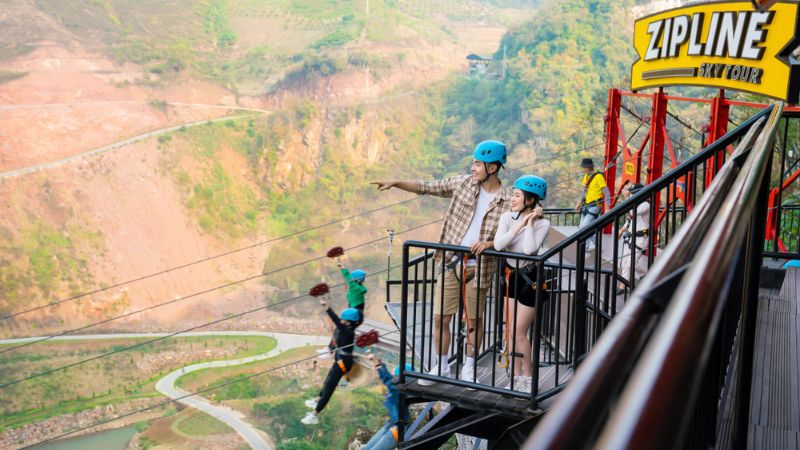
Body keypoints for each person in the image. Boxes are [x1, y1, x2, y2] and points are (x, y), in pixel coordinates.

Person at [371, 140, 512, 385]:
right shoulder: (463, 184)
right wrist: (396, 183)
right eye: (473, 163)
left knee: (474, 322)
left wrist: (490, 244)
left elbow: (515, 232)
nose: (473, 168)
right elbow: (427, 187)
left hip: (480, 267)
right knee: (440, 318)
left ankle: (470, 367)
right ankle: (442, 366)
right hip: (450, 261)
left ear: (492, 167)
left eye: (478, 164)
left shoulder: (508, 199)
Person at [493, 175, 551, 393]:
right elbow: (499, 245)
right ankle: (515, 376)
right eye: (513, 195)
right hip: (510, 277)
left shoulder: (543, 223)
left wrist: (530, 224)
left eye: (517, 195)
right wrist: (520, 225)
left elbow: (529, 250)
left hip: (530, 280)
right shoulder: (507, 218)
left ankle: (528, 377)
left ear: (530, 200)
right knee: (509, 331)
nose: (512, 199)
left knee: (518, 332)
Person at [302, 301, 361, 425]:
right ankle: (317, 400)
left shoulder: (348, 331)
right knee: (327, 381)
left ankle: (314, 414)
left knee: (329, 387)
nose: (341, 320)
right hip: (340, 360)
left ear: (349, 321)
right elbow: (338, 326)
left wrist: (327, 308)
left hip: (343, 363)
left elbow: (336, 321)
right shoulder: (345, 329)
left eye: (344, 319)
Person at [317, 261, 367, 358]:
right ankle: (330, 349)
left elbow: (347, 276)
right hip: (355, 310)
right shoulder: (357, 287)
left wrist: (342, 267)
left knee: (340, 329)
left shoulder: (354, 286)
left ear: (356, 279)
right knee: (340, 329)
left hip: (355, 311)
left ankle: (330, 350)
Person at [363, 356, 411, 450]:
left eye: (396, 377)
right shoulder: (396, 390)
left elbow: (388, 380)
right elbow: (388, 379)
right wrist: (380, 365)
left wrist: (380, 367)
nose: (394, 378)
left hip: (398, 429)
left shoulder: (398, 390)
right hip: (390, 424)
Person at [616, 183, 650, 294]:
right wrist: (621, 231)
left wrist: (626, 198)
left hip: (641, 238)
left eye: (633, 193)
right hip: (631, 236)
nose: (631, 195)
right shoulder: (636, 203)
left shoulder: (645, 205)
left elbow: (632, 212)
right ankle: (624, 285)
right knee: (626, 261)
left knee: (630, 262)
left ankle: (624, 286)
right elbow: (630, 220)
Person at [574, 158, 611, 252]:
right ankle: (596, 244)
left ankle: (585, 247)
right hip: (586, 205)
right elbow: (584, 191)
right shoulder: (586, 177)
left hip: (595, 205)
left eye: (584, 167)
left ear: (589, 167)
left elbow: (606, 192)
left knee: (583, 228)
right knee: (581, 228)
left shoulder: (598, 177)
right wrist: (579, 203)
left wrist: (607, 207)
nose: (583, 169)